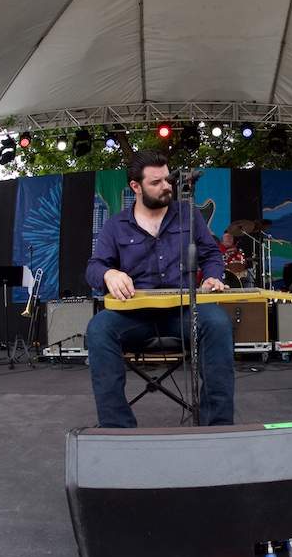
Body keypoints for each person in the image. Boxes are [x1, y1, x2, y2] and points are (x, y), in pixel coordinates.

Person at [85, 150, 235, 428]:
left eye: (168, 179)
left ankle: (218, 427)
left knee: (219, 323)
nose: (167, 186)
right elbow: (93, 267)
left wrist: (212, 276)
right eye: (156, 182)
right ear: (136, 187)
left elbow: (212, 255)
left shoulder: (188, 215)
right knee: (98, 328)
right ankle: (117, 428)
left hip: (184, 310)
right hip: (134, 315)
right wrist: (109, 273)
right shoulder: (115, 225)